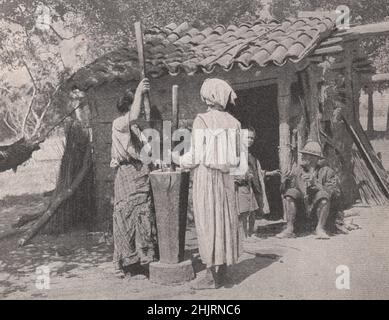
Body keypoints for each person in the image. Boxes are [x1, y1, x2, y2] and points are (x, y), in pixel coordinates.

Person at [172, 78, 241, 289]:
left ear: (209, 96)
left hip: (207, 177)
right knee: (225, 221)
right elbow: (237, 158)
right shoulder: (235, 123)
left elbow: (196, 156)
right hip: (226, 179)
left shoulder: (202, 120)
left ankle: (211, 275)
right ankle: (224, 271)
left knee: (208, 222)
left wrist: (176, 158)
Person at [110, 78, 157, 279]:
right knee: (126, 217)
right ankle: (127, 263)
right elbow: (134, 115)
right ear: (128, 106)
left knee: (143, 215)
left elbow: (148, 152)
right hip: (127, 174)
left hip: (141, 174)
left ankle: (141, 259)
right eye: (135, 105)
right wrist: (139, 91)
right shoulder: (120, 123)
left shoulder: (137, 129)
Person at [277, 141, 341, 239]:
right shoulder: (297, 170)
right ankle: (289, 229)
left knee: (323, 195)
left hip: (318, 213)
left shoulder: (327, 171)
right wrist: (285, 180)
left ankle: (320, 229)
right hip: (301, 213)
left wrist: (315, 183)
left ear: (314, 158)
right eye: (303, 154)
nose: (303, 157)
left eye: (306, 155)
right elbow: (283, 191)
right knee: (290, 193)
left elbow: (334, 193)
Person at [235, 126, 280, 239]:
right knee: (243, 212)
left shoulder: (251, 156)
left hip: (252, 187)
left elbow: (257, 172)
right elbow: (232, 171)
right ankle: (244, 235)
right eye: (247, 137)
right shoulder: (237, 154)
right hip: (241, 186)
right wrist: (242, 176)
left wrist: (270, 173)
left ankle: (251, 233)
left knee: (252, 211)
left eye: (252, 138)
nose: (250, 140)